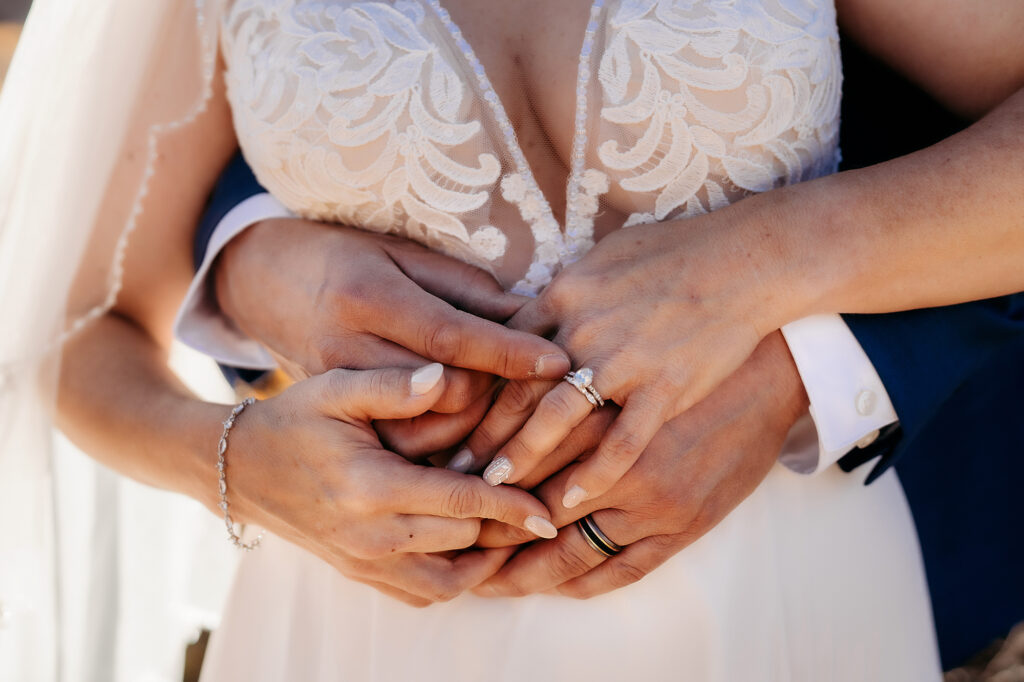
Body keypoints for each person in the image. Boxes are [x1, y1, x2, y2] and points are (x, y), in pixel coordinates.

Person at [0, 0, 1018, 680]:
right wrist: (238, 461)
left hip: (787, 584)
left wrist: (759, 256)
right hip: (370, 617)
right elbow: (76, 323)